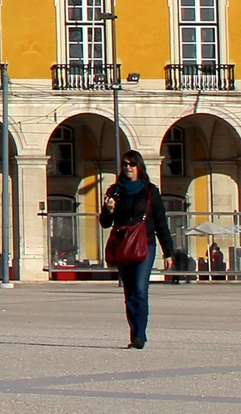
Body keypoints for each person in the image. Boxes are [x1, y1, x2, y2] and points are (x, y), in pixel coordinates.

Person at [101, 148, 177, 349]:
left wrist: (169, 252)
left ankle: (140, 335)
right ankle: (134, 332)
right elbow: (105, 223)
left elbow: (161, 223)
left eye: (132, 164)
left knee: (140, 290)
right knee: (129, 292)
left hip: (145, 244)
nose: (128, 168)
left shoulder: (150, 191)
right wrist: (109, 211)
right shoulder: (114, 191)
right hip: (123, 245)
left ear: (139, 167)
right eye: (125, 164)